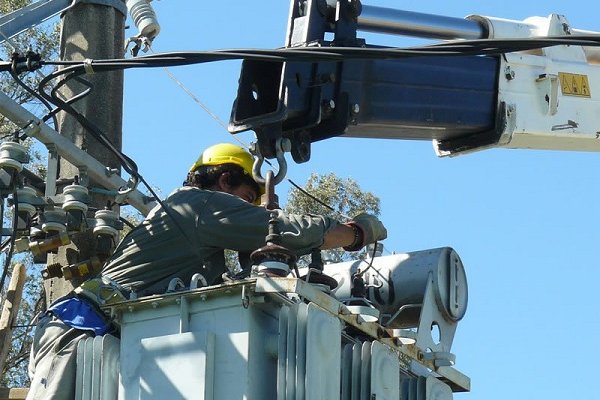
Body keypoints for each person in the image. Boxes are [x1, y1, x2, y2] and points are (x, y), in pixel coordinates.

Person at [26, 143, 387, 400]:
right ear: (225, 180)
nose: (246, 208)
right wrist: (355, 234)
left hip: (107, 333)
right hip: (78, 329)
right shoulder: (195, 205)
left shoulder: (200, 252)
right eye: (247, 196)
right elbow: (283, 228)